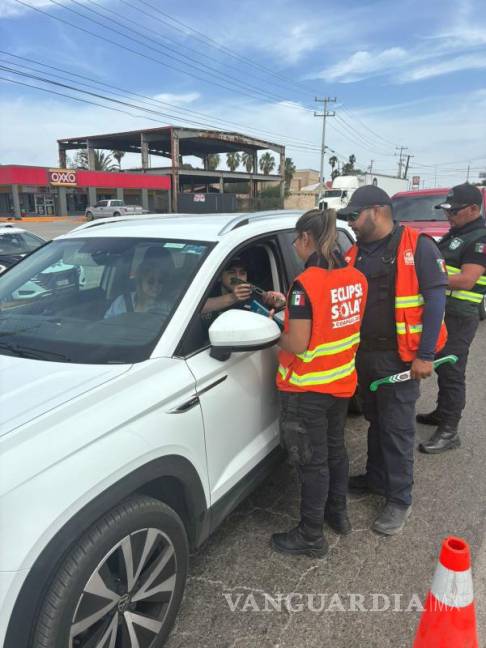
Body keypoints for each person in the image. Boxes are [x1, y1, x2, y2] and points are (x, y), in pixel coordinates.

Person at [339, 185, 448, 535]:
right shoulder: (355, 253)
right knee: (375, 420)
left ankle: (399, 498)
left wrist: (426, 355)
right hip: (363, 356)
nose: (352, 223)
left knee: (398, 428)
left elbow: (435, 303)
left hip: (400, 358)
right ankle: (375, 478)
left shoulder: (417, 246)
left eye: (355, 216)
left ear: (377, 210)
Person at [270, 209, 368, 558]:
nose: (296, 245)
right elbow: (331, 318)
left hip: (306, 389)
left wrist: (273, 329)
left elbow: (297, 343)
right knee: (335, 451)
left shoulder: (305, 285)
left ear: (307, 238)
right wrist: (287, 306)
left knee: (313, 463)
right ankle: (337, 514)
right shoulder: (356, 277)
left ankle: (311, 535)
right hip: (340, 383)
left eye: (297, 239)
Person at [417, 183, 486, 453]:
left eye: (454, 211)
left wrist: (427, 280)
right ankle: (441, 412)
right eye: (447, 210)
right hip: (446, 311)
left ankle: (450, 430)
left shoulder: (479, 238)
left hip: (460, 314)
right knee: (443, 367)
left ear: (473, 209)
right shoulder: (458, 232)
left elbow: (468, 279)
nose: (449, 215)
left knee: (452, 370)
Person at [201, 255, 285, 325]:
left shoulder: (252, 295)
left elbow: (268, 321)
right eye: (231, 272)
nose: (238, 277)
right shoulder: (206, 291)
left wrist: (281, 302)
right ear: (219, 277)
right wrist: (233, 298)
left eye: (242, 273)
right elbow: (197, 308)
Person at [104, 257, 172, 318]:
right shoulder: (122, 301)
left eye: (160, 281)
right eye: (151, 282)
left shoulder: (166, 307)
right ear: (140, 282)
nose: (156, 285)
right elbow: (106, 323)